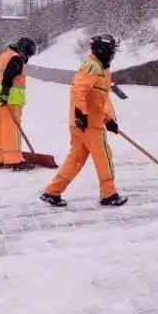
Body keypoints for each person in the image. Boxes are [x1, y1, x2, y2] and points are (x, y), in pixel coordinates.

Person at [40, 34, 127, 207]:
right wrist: (81, 114)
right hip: (89, 124)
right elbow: (78, 90)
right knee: (104, 157)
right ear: (104, 51)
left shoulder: (100, 70)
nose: (113, 55)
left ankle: (52, 191)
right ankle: (109, 194)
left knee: (76, 159)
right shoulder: (93, 67)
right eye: (111, 52)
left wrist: (109, 120)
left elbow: (97, 101)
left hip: (84, 123)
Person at [0, 37, 37, 171]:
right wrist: (5, 94)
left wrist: (1, 93)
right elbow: (8, 76)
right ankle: (14, 160)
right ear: (23, 49)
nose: (27, 56)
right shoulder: (16, 58)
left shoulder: (4, 56)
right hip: (10, 100)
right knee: (12, 130)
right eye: (28, 53)